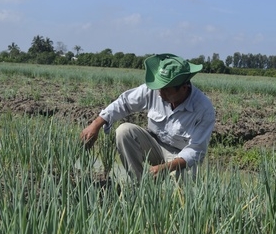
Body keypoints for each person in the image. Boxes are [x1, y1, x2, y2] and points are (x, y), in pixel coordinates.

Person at [80, 53, 215, 181]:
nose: (160, 94)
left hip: (179, 155)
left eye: (166, 90)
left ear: (183, 88)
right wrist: (96, 124)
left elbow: (195, 151)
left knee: (184, 176)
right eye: (159, 88)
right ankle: (139, 185)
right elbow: (125, 103)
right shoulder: (155, 90)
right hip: (153, 144)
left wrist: (165, 168)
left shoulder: (203, 109)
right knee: (124, 131)